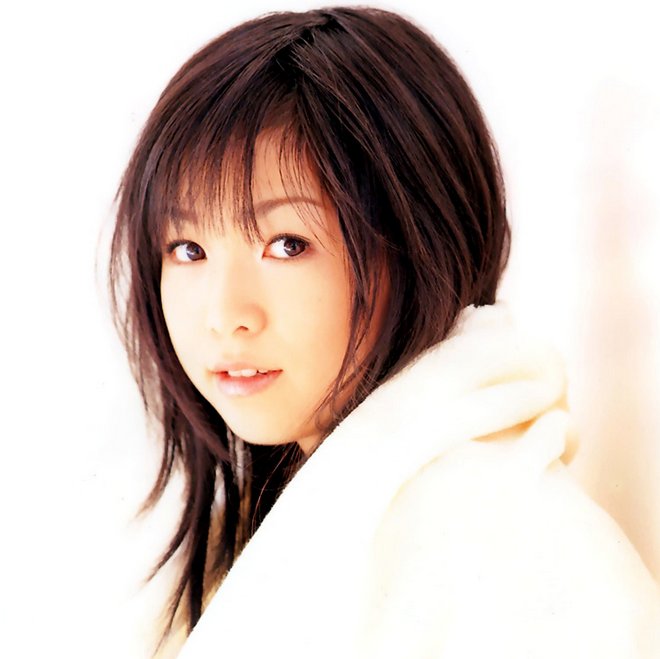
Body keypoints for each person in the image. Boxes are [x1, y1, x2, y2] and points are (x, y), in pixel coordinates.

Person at [106, 6, 660, 658]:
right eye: (188, 249)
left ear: (418, 241)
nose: (225, 314)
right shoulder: (249, 541)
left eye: (287, 244)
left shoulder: (517, 559)